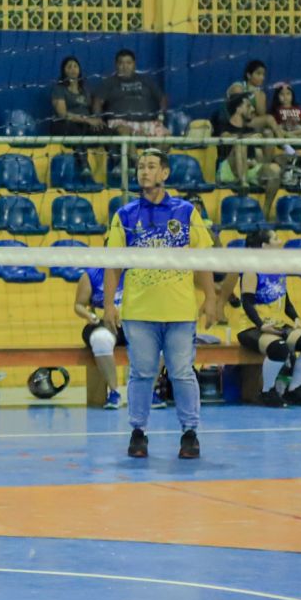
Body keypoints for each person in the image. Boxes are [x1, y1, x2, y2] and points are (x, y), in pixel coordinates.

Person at [103, 149, 222, 460]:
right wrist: (107, 307)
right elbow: (112, 264)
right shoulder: (125, 215)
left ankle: (190, 433)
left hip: (180, 311)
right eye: (141, 167)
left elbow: (203, 259)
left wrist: (210, 298)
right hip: (139, 312)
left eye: (151, 167)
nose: (144, 172)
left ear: (165, 173)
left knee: (182, 372)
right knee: (141, 373)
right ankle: (138, 432)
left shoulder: (185, 212)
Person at [230, 229, 301, 406]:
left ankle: (294, 390)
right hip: (251, 327)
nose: (281, 241)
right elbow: (247, 303)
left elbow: (285, 300)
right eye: (276, 238)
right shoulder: (251, 271)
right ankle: (267, 392)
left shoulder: (279, 268)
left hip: (277, 324)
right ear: (264, 246)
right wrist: (261, 325)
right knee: (279, 348)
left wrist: (296, 319)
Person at [213, 91, 280, 208]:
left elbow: (258, 155)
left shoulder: (250, 129)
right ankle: (243, 184)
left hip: (249, 170)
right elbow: (226, 137)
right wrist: (248, 138)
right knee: (241, 144)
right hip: (228, 170)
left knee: (275, 170)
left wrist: (256, 162)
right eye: (248, 106)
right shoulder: (224, 125)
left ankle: (265, 212)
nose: (253, 109)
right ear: (238, 109)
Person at [75, 267, 123, 409]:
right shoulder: (91, 275)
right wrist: (89, 316)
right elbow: (79, 305)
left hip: (132, 322)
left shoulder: (134, 270)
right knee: (101, 339)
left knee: (159, 340)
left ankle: (151, 392)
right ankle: (114, 392)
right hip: (102, 322)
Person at [91, 49, 167, 136]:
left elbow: (162, 98)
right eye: (121, 63)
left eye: (128, 63)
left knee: (166, 136)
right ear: (116, 65)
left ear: (134, 64)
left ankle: (152, 150)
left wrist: (161, 117)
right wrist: (97, 118)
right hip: (120, 123)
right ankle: (131, 149)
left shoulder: (145, 80)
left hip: (147, 123)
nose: (125, 66)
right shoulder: (108, 82)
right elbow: (97, 101)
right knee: (125, 134)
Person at [50, 56, 107, 137]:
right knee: (74, 130)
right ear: (64, 71)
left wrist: (97, 119)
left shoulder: (85, 90)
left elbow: (94, 107)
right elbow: (62, 114)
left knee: (105, 130)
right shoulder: (59, 89)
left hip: (86, 126)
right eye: (69, 67)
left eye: (75, 66)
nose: (73, 69)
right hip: (66, 125)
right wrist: (87, 120)